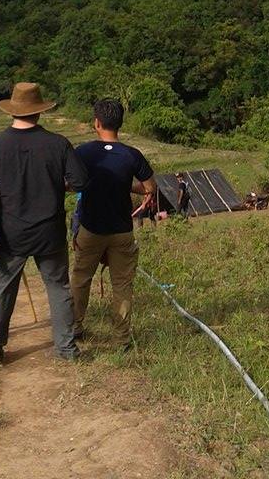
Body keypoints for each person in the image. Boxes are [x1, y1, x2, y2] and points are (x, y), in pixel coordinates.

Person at [0, 82, 88, 362]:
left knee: (4, 286)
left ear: (12, 111)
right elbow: (80, 182)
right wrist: (54, 183)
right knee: (57, 286)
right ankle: (66, 348)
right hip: (49, 230)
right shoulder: (58, 143)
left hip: (11, 230)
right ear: (39, 112)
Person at [70, 98, 157, 349]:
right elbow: (150, 186)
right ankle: (121, 339)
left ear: (96, 123)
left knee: (80, 279)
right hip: (122, 231)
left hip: (90, 228)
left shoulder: (83, 152)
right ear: (119, 123)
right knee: (121, 284)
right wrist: (124, 182)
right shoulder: (132, 154)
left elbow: (71, 183)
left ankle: (75, 328)